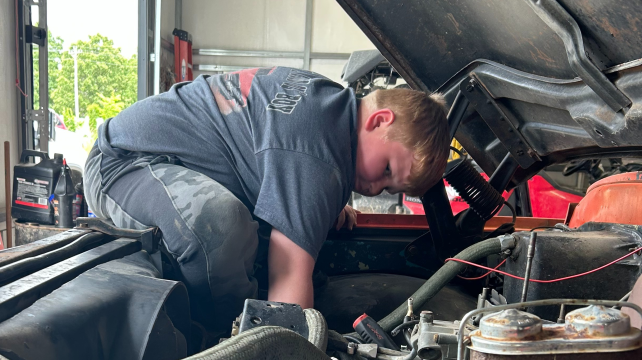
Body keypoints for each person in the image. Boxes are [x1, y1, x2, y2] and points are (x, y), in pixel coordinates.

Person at [84, 67, 448, 331]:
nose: (374, 188)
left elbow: (280, 158)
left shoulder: (329, 104)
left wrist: (328, 204)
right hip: (123, 166)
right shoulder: (316, 159)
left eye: (387, 190)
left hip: (167, 164)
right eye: (386, 170)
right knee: (222, 226)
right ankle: (220, 345)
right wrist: (283, 346)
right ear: (379, 120)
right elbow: (287, 282)